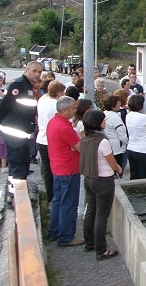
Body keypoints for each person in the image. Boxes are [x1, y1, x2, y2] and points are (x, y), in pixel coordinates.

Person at [80, 109, 121, 260]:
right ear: (98, 123)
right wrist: (117, 168)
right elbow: (112, 163)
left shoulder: (85, 137)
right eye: (103, 120)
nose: (105, 122)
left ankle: (89, 242)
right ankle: (101, 250)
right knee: (102, 215)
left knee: (91, 210)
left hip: (89, 179)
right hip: (103, 181)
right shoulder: (102, 141)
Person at [0, 61, 41, 208]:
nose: (37, 74)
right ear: (27, 70)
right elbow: (4, 105)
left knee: (19, 166)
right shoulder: (18, 85)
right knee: (19, 167)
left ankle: (14, 197)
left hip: (21, 132)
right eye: (34, 71)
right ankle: (15, 199)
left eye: (39, 72)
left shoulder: (28, 86)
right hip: (15, 133)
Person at [47, 96, 84, 246]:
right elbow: (80, 147)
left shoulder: (53, 122)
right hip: (68, 169)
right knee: (68, 203)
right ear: (64, 110)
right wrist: (76, 145)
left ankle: (53, 232)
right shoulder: (64, 127)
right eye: (73, 108)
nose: (75, 110)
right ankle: (66, 236)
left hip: (57, 167)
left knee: (58, 201)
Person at [37, 80, 66, 203]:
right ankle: (56, 197)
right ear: (59, 93)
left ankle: (49, 197)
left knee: (47, 170)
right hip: (51, 141)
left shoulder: (42, 101)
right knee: (56, 170)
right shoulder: (56, 105)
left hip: (41, 138)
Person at [103, 95, 128, 177]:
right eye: (118, 103)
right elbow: (122, 135)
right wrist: (127, 143)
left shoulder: (104, 114)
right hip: (118, 149)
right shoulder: (115, 118)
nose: (120, 104)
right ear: (113, 105)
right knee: (118, 172)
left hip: (109, 146)